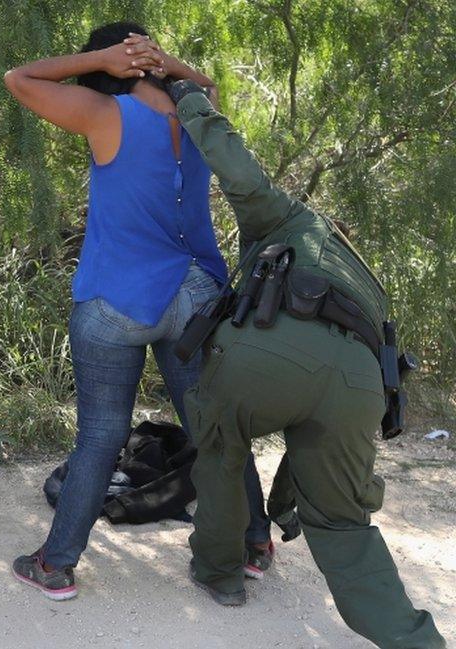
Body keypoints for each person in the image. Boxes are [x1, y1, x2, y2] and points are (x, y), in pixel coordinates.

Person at [168, 79, 446, 648]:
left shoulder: (295, 220)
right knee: (346, 526)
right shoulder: (370, 285)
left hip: (266, 353)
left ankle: (220, 574)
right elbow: (314, 426)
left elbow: (239, 173)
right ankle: (416, 641)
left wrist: (190, 101)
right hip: (358, 384)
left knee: (221, 454)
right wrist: (288, 503)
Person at [2, 22, 273, 600]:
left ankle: (55, 565)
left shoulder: (107, 114)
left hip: (116, 301)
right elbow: (209, 88)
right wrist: (166, 62)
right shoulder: (198, 119)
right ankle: (254, 542)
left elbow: (18, 78)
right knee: (213, 427)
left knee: (101, 437)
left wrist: (98, 58)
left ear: (110, 65)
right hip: (195, 297)